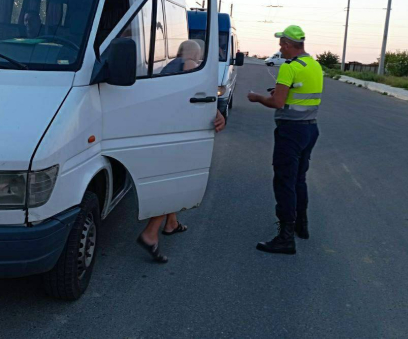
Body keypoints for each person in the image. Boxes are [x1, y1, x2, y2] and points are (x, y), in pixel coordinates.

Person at [137, 39, 226, 263]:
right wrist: (216, 111)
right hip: (176, 130)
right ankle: (150, 234)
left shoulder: (168, 68)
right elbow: (196, 92)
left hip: (159, 128)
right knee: (173, 182)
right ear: (195, 55)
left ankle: (171, 223)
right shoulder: (188, 65)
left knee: (171, 176)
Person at [247, 25, 323, 255]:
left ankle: (285, 237)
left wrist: (257, 97)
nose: (280, 48)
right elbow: (299, 96)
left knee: (284, 182)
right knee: (299, 179)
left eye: (281, 44)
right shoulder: (314, 65)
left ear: (289, 45)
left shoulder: (289, 67)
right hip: (310, 129)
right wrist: (282, 93)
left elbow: (277, 103)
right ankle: (301, 225)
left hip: (291, 131)